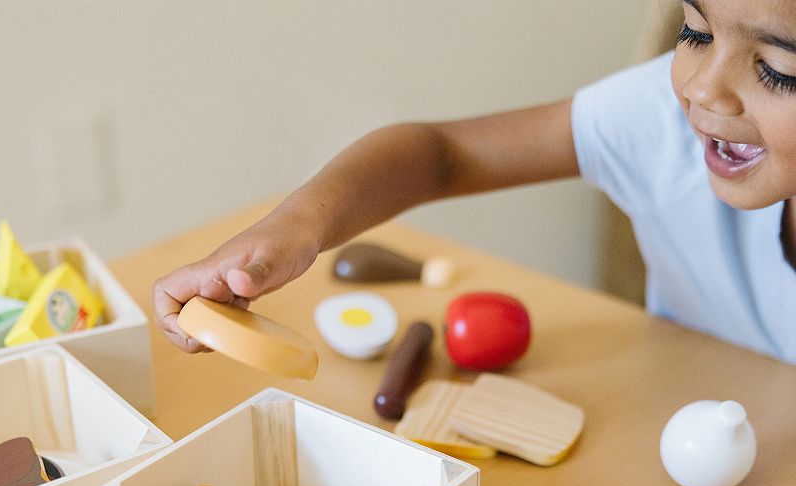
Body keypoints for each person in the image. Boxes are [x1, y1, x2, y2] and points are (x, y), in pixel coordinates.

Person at [154, 0, 796, 363]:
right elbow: (442, 155)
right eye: (695, 31)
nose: (704, 88)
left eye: (776, 72)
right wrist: (296, 227)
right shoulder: (658, 121)